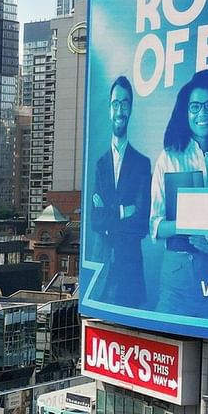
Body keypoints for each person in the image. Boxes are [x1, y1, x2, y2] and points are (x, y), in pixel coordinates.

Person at [149, 69, 208, 317]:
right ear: (185, 111)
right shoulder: (170, 157)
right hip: (179, 272)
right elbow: (156, 226)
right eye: (194, 107)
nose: (202, 114)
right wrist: (190, 226)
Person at [90, 74, 152, 305]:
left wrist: (109, 214)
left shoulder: (142, 163)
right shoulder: (99, 164)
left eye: (125, 103)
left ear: (131, 109)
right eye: (116, 103)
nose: (120, 110)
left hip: (130, 272)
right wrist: (123, 211)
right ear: (109, 109)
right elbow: (95, 220)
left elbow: (142, 220)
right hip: (102, 269)